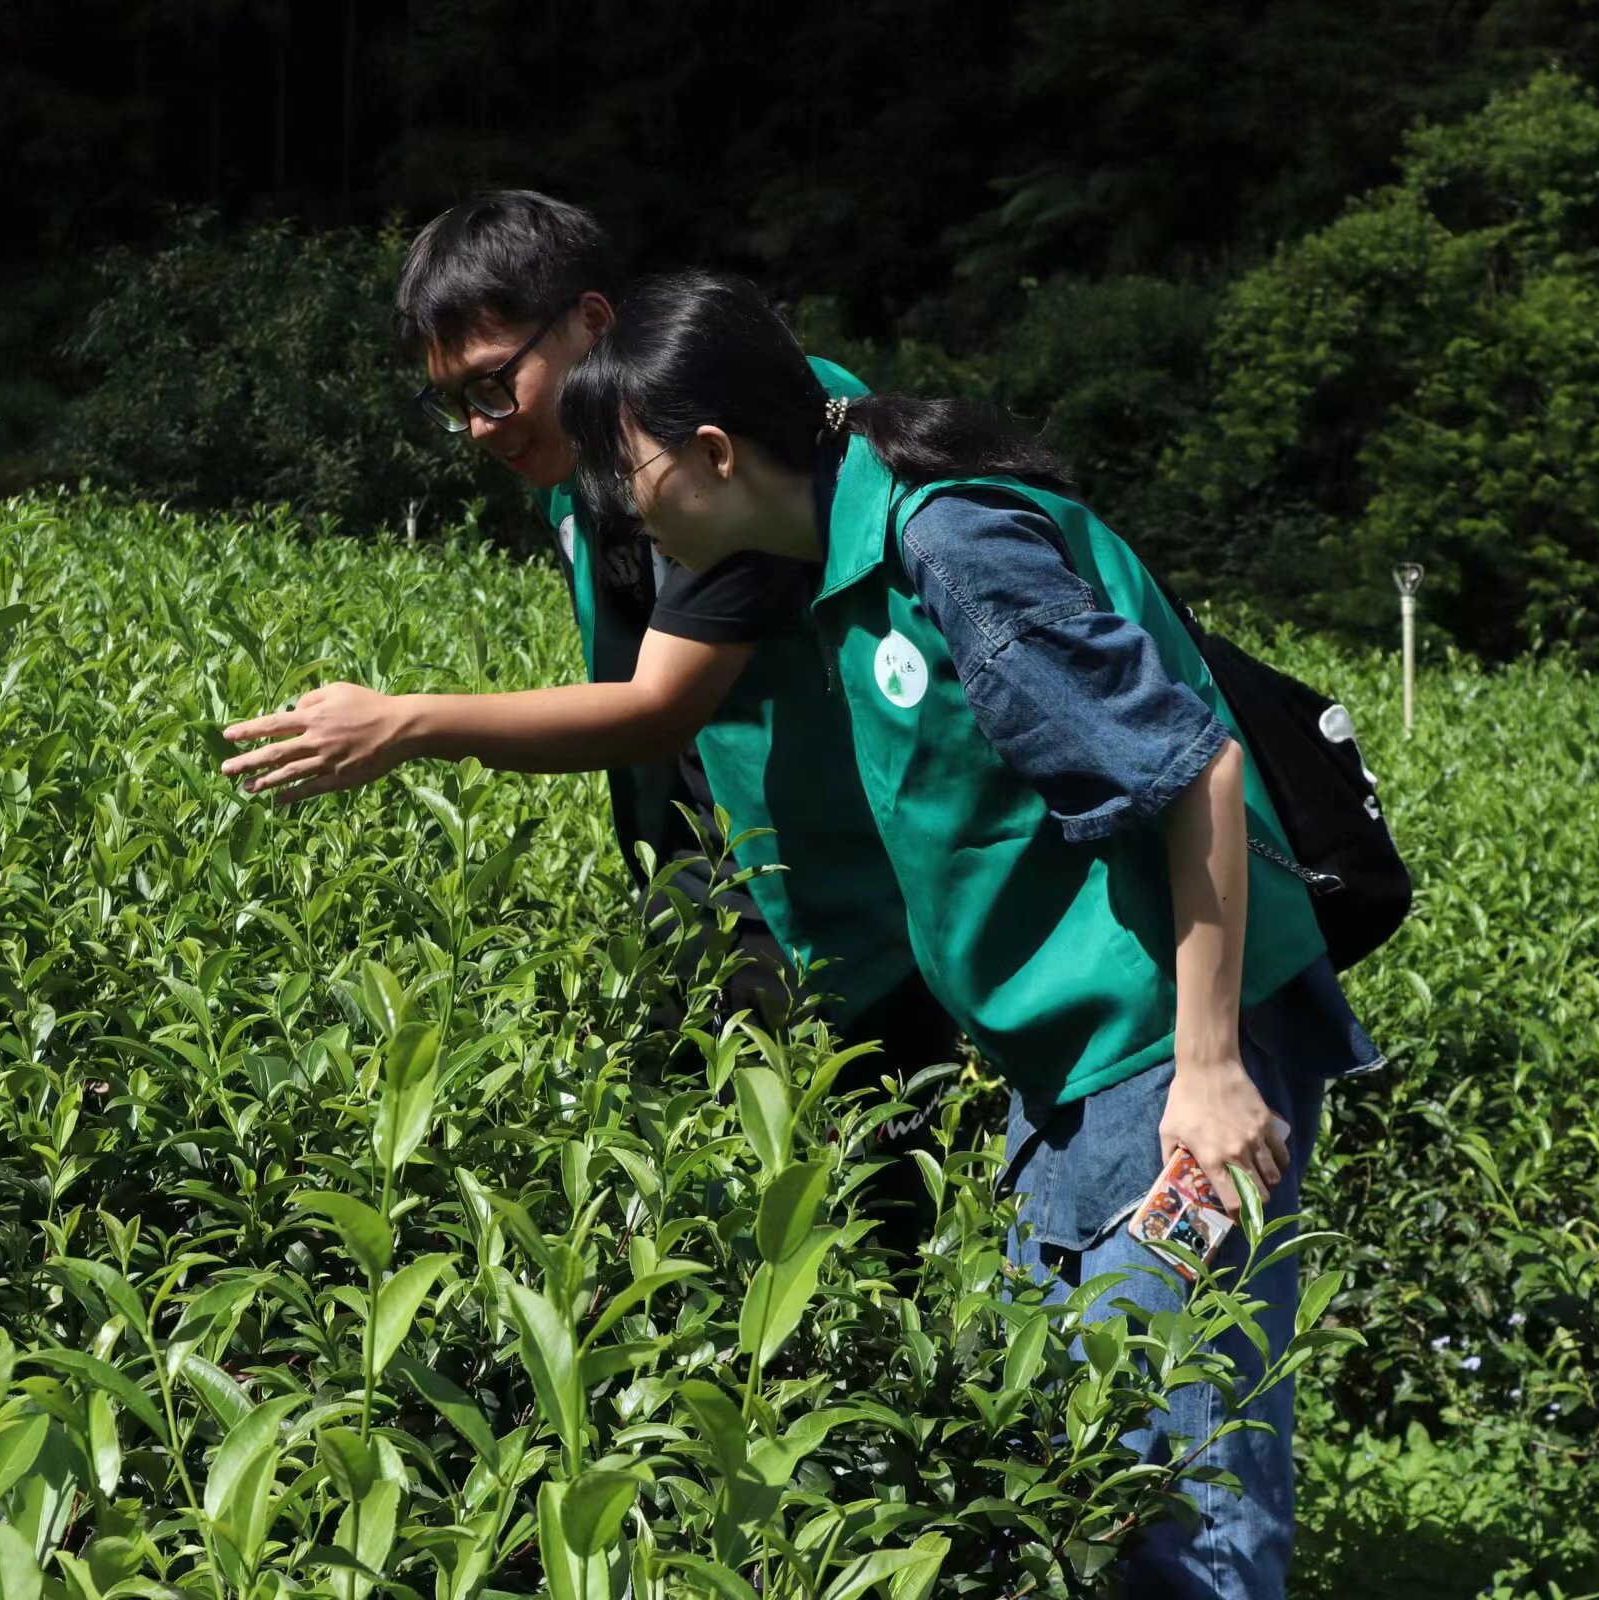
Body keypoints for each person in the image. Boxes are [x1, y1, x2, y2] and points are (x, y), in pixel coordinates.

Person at [558, 270, 1383, 1599]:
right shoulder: (847, 552)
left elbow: (1194, 770)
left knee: (1180, 1499)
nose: (620, 509)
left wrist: (1211, 1067)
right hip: (1067, 1061)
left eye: (628, 469)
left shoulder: (950, 542)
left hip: (1159, 1044)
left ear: (713, 454)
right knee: (1078, 1465)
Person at [216, 193, 957, 1233]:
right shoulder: (585, 454)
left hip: (846, 904)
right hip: (710, 876)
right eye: (454, 402)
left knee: (864, 1225)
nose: (480, 428)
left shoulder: (725, 440)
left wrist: (408, 721)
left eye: (491, 384)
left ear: (591, 322)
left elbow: (660, 705)